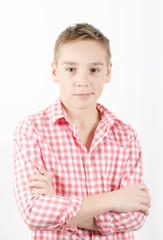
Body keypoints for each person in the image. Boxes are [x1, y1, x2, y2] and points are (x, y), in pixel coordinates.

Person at [13, 23, 151, 240]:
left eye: (94, 70)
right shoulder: (32, 131)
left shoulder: (126, 136)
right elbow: (34, 213)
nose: (83, 81)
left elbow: (136, 216)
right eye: (71, 69)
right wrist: (115, 199)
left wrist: (58, 202)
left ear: (108, 72)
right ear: (54, 71)